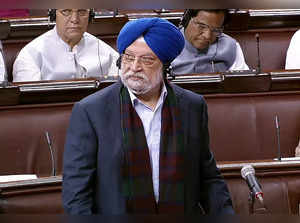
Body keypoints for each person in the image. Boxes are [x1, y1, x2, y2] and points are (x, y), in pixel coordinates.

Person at [63, 17, 234, 215]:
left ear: (165, 65)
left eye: (146, 59)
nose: (134, 67)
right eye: (128, 57)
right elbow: (77, 196)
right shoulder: (91, 112)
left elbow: (208, 177)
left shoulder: (192, 107)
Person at [13, 9, 118, 82]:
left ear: (90, 16)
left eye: (82, 12)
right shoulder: (30, 54)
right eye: (66, 11)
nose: (75, 19)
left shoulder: (108, 53)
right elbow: (29, 99)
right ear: (54, 14)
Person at [171, 9, 249, 75]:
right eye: (202, 26)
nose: (207, 36)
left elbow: (242, 83)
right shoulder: (166, 43)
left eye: (216, 30)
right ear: (186, 20)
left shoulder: (230, 46)